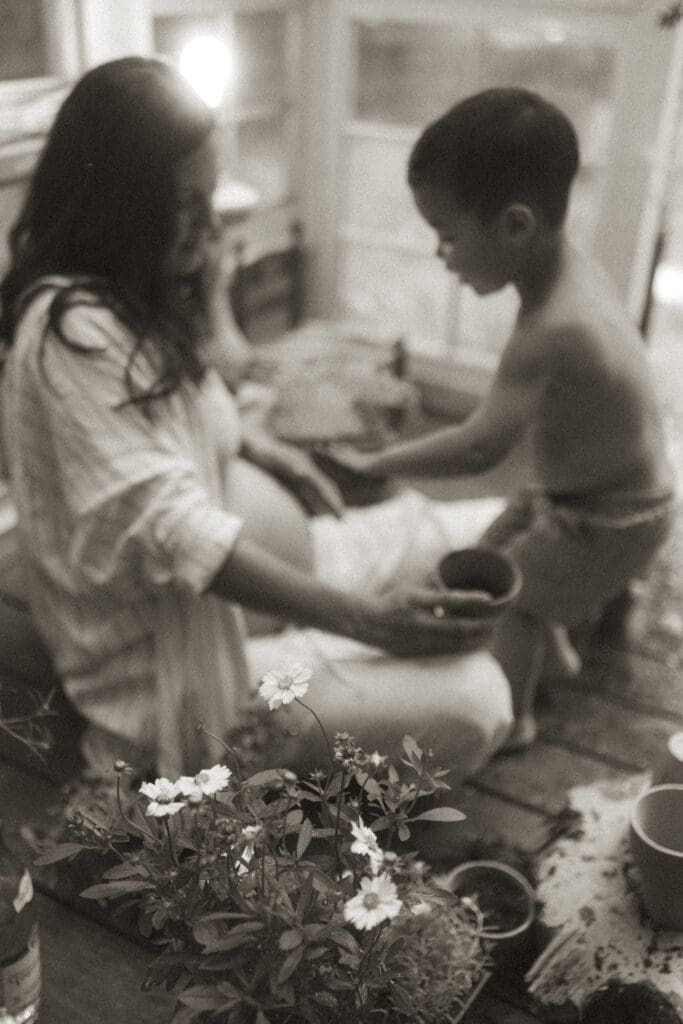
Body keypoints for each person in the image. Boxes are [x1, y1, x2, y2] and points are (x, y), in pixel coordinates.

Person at [0, 58, 513, 779]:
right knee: (475, 697)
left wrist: (262, 447)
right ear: (117, 201)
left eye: (208, 197)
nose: (207, 223)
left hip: (266, 597)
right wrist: (366, 622)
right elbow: (170, 527)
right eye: (187, 204)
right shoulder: (70, 334)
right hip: (184, 673)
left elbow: (180, 413)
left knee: (505, 530)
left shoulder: (130, 291)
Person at [336, 88, 675, 750]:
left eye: (447, 236)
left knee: (508, 600)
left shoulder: (552, 326)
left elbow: (476, 451)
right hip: (579, 491)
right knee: (481, 559)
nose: (441, 255)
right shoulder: (567, 273)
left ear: (515, 226)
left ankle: (513, 722)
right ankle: (560, 654)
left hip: (611, 518)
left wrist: (378, 460)